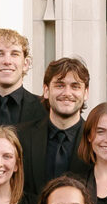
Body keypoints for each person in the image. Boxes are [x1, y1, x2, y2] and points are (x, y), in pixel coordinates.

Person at [15, 57, 92, 186]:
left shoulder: (95, 140)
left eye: (75, 86)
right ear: (46, 90)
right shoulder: (21, 137)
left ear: (85, 93)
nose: (67, 93)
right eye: (60, 85)